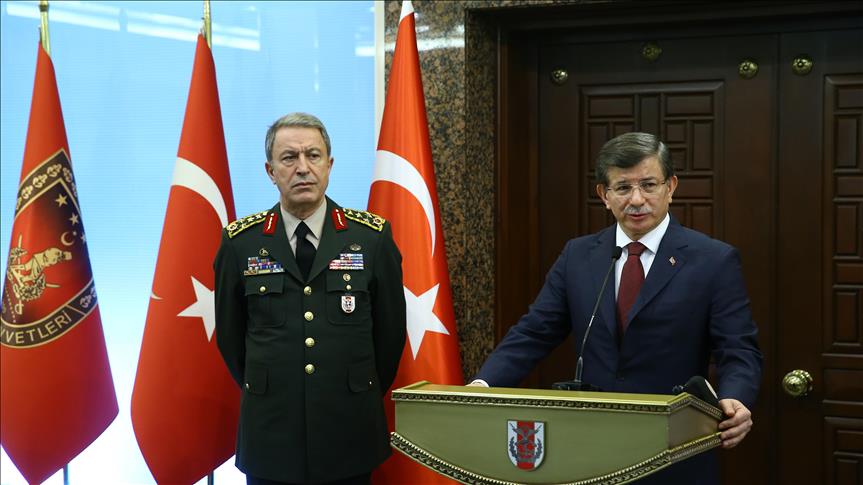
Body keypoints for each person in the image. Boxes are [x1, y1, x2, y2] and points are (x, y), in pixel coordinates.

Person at [471, 132, 762, 484]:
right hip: (591, 449)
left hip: (674, 448)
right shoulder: (578, 256)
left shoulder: (712, 260)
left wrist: (735, 397)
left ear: (671, 187)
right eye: (623, 188)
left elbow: (738, 348)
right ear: (604, 195)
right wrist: (484, 384)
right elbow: (534, 331)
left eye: (649, 185)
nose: (637, 200)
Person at [214, 112, 406, 485]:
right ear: (270, 171)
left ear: (329, 165)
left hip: (349, 431)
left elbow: (390, 336)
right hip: (271, 436)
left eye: (313, 155)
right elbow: (231, 340)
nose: (303, 168)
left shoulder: (371, 239)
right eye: (289, 158)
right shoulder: (240, 244)